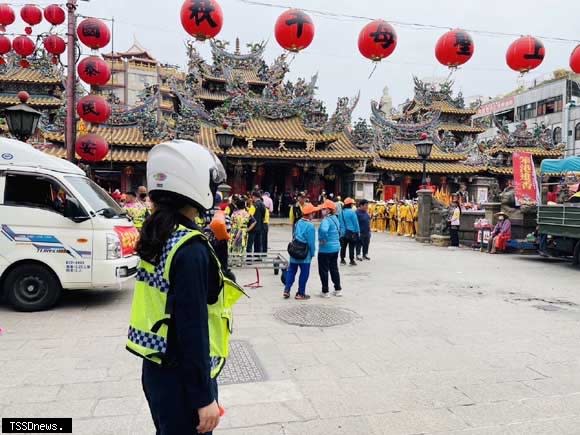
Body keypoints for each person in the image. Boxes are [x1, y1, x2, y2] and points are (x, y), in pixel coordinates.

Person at [127, 140, 236, 435]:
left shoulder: (162, 234)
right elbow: (192, 327)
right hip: (183, 379)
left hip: (157, 369)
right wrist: (203, 397)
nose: (214, 193)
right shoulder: (189, 248)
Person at [284, 203, 318, 300]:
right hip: (304, 254)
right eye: (313, 213)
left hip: (294, 251)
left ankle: (286, 290)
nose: (314, 214)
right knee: (304, 273)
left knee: (291, 271)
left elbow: (294, 235)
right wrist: (312, 253)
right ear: (310, 214)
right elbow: (311, 242)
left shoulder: (298, 222)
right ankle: (300, 293)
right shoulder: (310, 226)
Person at [318, 199, 342, 298]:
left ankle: (325, 291)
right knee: (334, 269)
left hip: (325, 249)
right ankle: (338, 289)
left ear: (329, 210)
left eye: (324, 208)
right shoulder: (335, 219)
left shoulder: (326, 220)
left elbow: (323, 230)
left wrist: (323, 239)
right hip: (335, 248)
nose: (322, 210)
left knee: (323, 270)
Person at [229, 199, 256, 265]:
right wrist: (248, 229)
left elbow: (230, 222)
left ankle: (233, 261)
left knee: (233, 246)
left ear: (237, 206)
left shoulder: (234, 214)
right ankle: (239, 262)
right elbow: (254, 222)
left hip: (234, 231)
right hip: (243, 232)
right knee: (242, 246)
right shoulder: (247, 214)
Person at [339, 197, 360, 266]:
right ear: (350, 204)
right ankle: (351, 260)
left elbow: (339, 222)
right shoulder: (352, 212)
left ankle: (342, 260)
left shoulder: (341, 212)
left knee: (343, 247)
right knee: (351, 247)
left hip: (342, 233)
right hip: (351, 232)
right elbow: (355, 223)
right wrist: (357, 232)